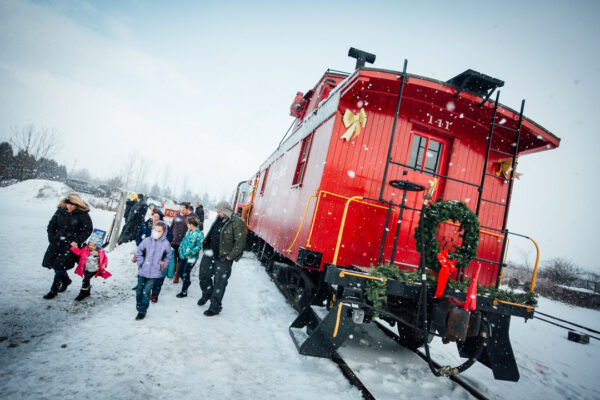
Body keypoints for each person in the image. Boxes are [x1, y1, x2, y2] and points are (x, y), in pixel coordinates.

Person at [198, 201, 246, 316]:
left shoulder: (237, 222)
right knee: (203, 275)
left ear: (225, 211)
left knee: (220, 282)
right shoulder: (219, 218)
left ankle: (215, 307)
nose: (218, 213)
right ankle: (207, 293)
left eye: (219, 211)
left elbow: (240, 243)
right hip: (210, 253)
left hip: (223, 257)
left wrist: (230, 256)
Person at [42, 194, 93, 299]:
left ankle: (53, 290)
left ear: (77, 204)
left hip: (71, 245)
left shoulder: (82, 214)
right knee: (53, 264)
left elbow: (88, 229)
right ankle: (66, 280)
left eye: (72, 205)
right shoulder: (60, 211)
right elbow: (51, 225)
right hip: (57, 243)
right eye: (67, 204)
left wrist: (77, 241)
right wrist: (52, 238)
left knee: (60, 265)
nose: (69, 207)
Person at [135, 221, 171, 320]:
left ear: (163, 233)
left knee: (146, 291)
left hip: (155, 273)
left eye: (159, 231)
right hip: (143, 271)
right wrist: (141, 263)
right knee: (139, 290)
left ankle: (142, 311)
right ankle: (139, 304)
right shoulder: (146, 241)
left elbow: (167, 257)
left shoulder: (166, 244)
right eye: (155, 230)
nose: (156, 232)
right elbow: (139, 253)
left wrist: (162, 266)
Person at [169, 203, 198, 283]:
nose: (181, 211)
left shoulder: (194, 216)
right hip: (174, 240)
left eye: (183, 210)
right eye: (180, 209)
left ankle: (177, 275)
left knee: (180, 259)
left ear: (187, 209)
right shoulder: (177, 214)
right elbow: (172, 225)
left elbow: (197, 229)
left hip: (183, 242)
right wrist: (169, 236)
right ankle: (173, 272)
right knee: (172, 258)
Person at [176, 217, 204, 298]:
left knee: (185, 272)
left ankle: (184, 291)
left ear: (191, 225)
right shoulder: (188, 231)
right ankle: (187, 282)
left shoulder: (199, 234)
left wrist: (188, 252)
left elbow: (198, 247)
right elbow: (183, 241)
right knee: (180, 271)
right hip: (183, 255)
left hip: (191, 258)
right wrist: (180, 249)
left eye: (188, 224)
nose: (187, 225)